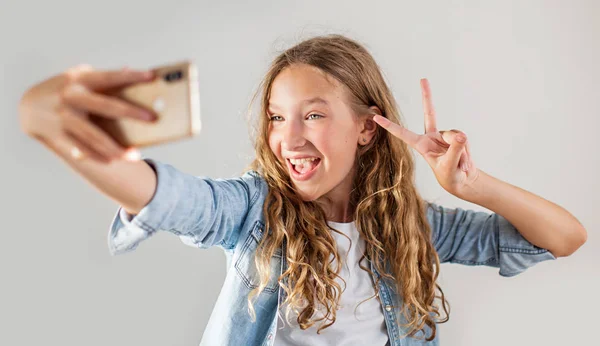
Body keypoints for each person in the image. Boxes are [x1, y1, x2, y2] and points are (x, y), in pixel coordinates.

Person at [19, 34, 587, 346]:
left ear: (367, 127)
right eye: (276, 116)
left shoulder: (411, 224)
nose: (287, 139)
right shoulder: (252, 211)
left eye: (312, 115)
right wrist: (52, 124)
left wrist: (472, 184)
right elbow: (167, 197)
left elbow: (563, 238)